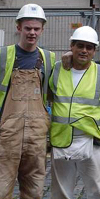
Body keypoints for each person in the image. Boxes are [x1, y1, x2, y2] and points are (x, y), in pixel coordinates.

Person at [49, 26, 100, 199]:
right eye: (80, 45)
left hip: (92, 141)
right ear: (72, 46)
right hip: (61, 140)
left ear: (94, 50)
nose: (84, 50)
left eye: (89, 47)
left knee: (99, 192)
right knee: (60, 193)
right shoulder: (57, 69)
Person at [0, 4, 55, 199]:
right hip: (7, 135)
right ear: (18, 28)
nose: (32, 33)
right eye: (27, 28)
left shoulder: (48, 58)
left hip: (36, 137)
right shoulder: (3, 55)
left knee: (34, 190)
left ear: (42, 29)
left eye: (36, 29)